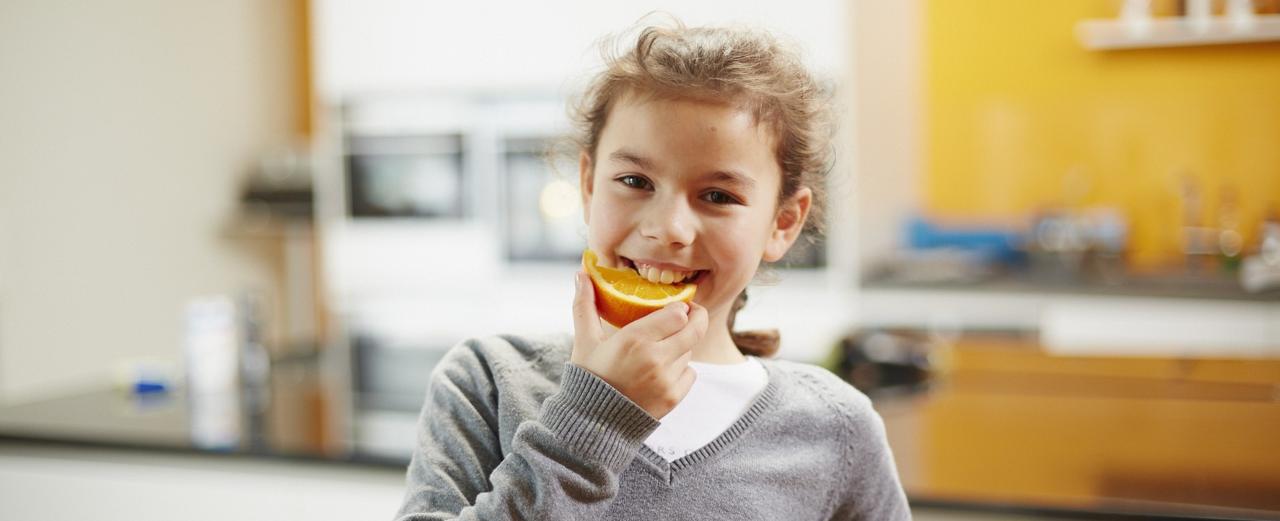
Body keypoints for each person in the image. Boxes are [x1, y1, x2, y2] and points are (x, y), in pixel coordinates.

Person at [395, 20, 910, 520]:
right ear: (589, 184)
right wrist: (592, 421)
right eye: (636, 181)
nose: (668, 228)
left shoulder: (836, 428)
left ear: (783, 222)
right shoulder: (489, 382)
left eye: (717, 195)